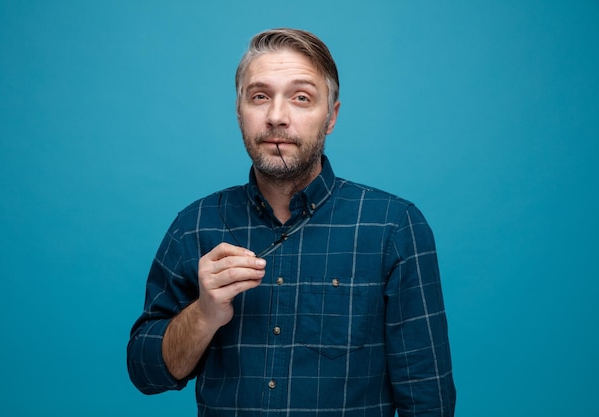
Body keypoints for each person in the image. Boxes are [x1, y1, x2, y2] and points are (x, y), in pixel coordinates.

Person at [127, 28, 456, 416]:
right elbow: (146, 374)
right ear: (239, 112)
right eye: (259, 96)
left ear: (330, 117)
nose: (277, 117)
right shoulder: (194, 225)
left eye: (301, 98)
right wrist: (203, 314)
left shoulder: (394, 228)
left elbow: (427, 399)